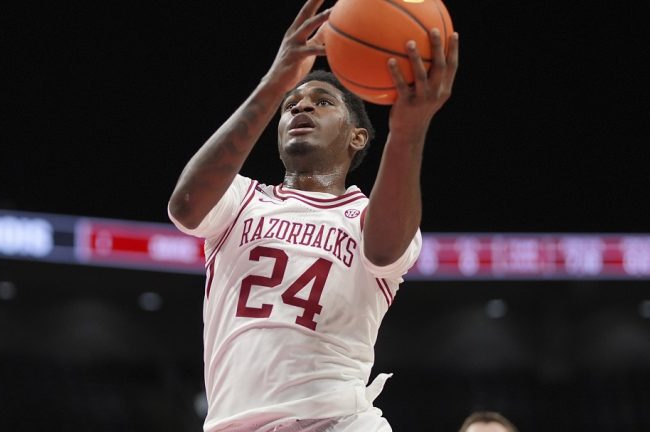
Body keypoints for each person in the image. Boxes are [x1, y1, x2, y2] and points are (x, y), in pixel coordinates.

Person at [168, 0, 458, 430]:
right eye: (291, 106)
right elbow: (186, 207)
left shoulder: (367, 214)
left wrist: (409, 130)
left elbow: (383, 251)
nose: (300, 108)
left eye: (322, 102)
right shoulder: (242, 200)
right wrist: (274, 83)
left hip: (336, 422)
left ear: (358, 137)